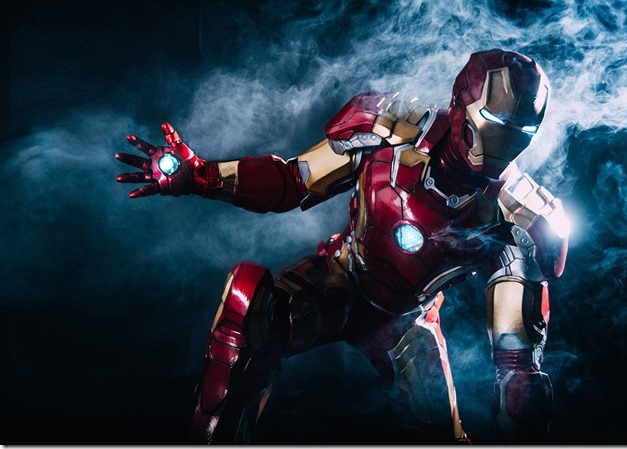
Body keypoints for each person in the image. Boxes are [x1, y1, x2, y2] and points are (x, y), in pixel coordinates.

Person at [115, 48, 569, 444]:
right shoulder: (389, 129)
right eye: (494, 124)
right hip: (340, 279)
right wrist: (201, 177)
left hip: (407, 322)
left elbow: (516, 363)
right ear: (460, 105)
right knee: (249, 305)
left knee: (469, 422)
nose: (498, 146)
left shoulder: (519, 217)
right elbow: (293, 181)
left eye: (519, 134)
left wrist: (522, 399)